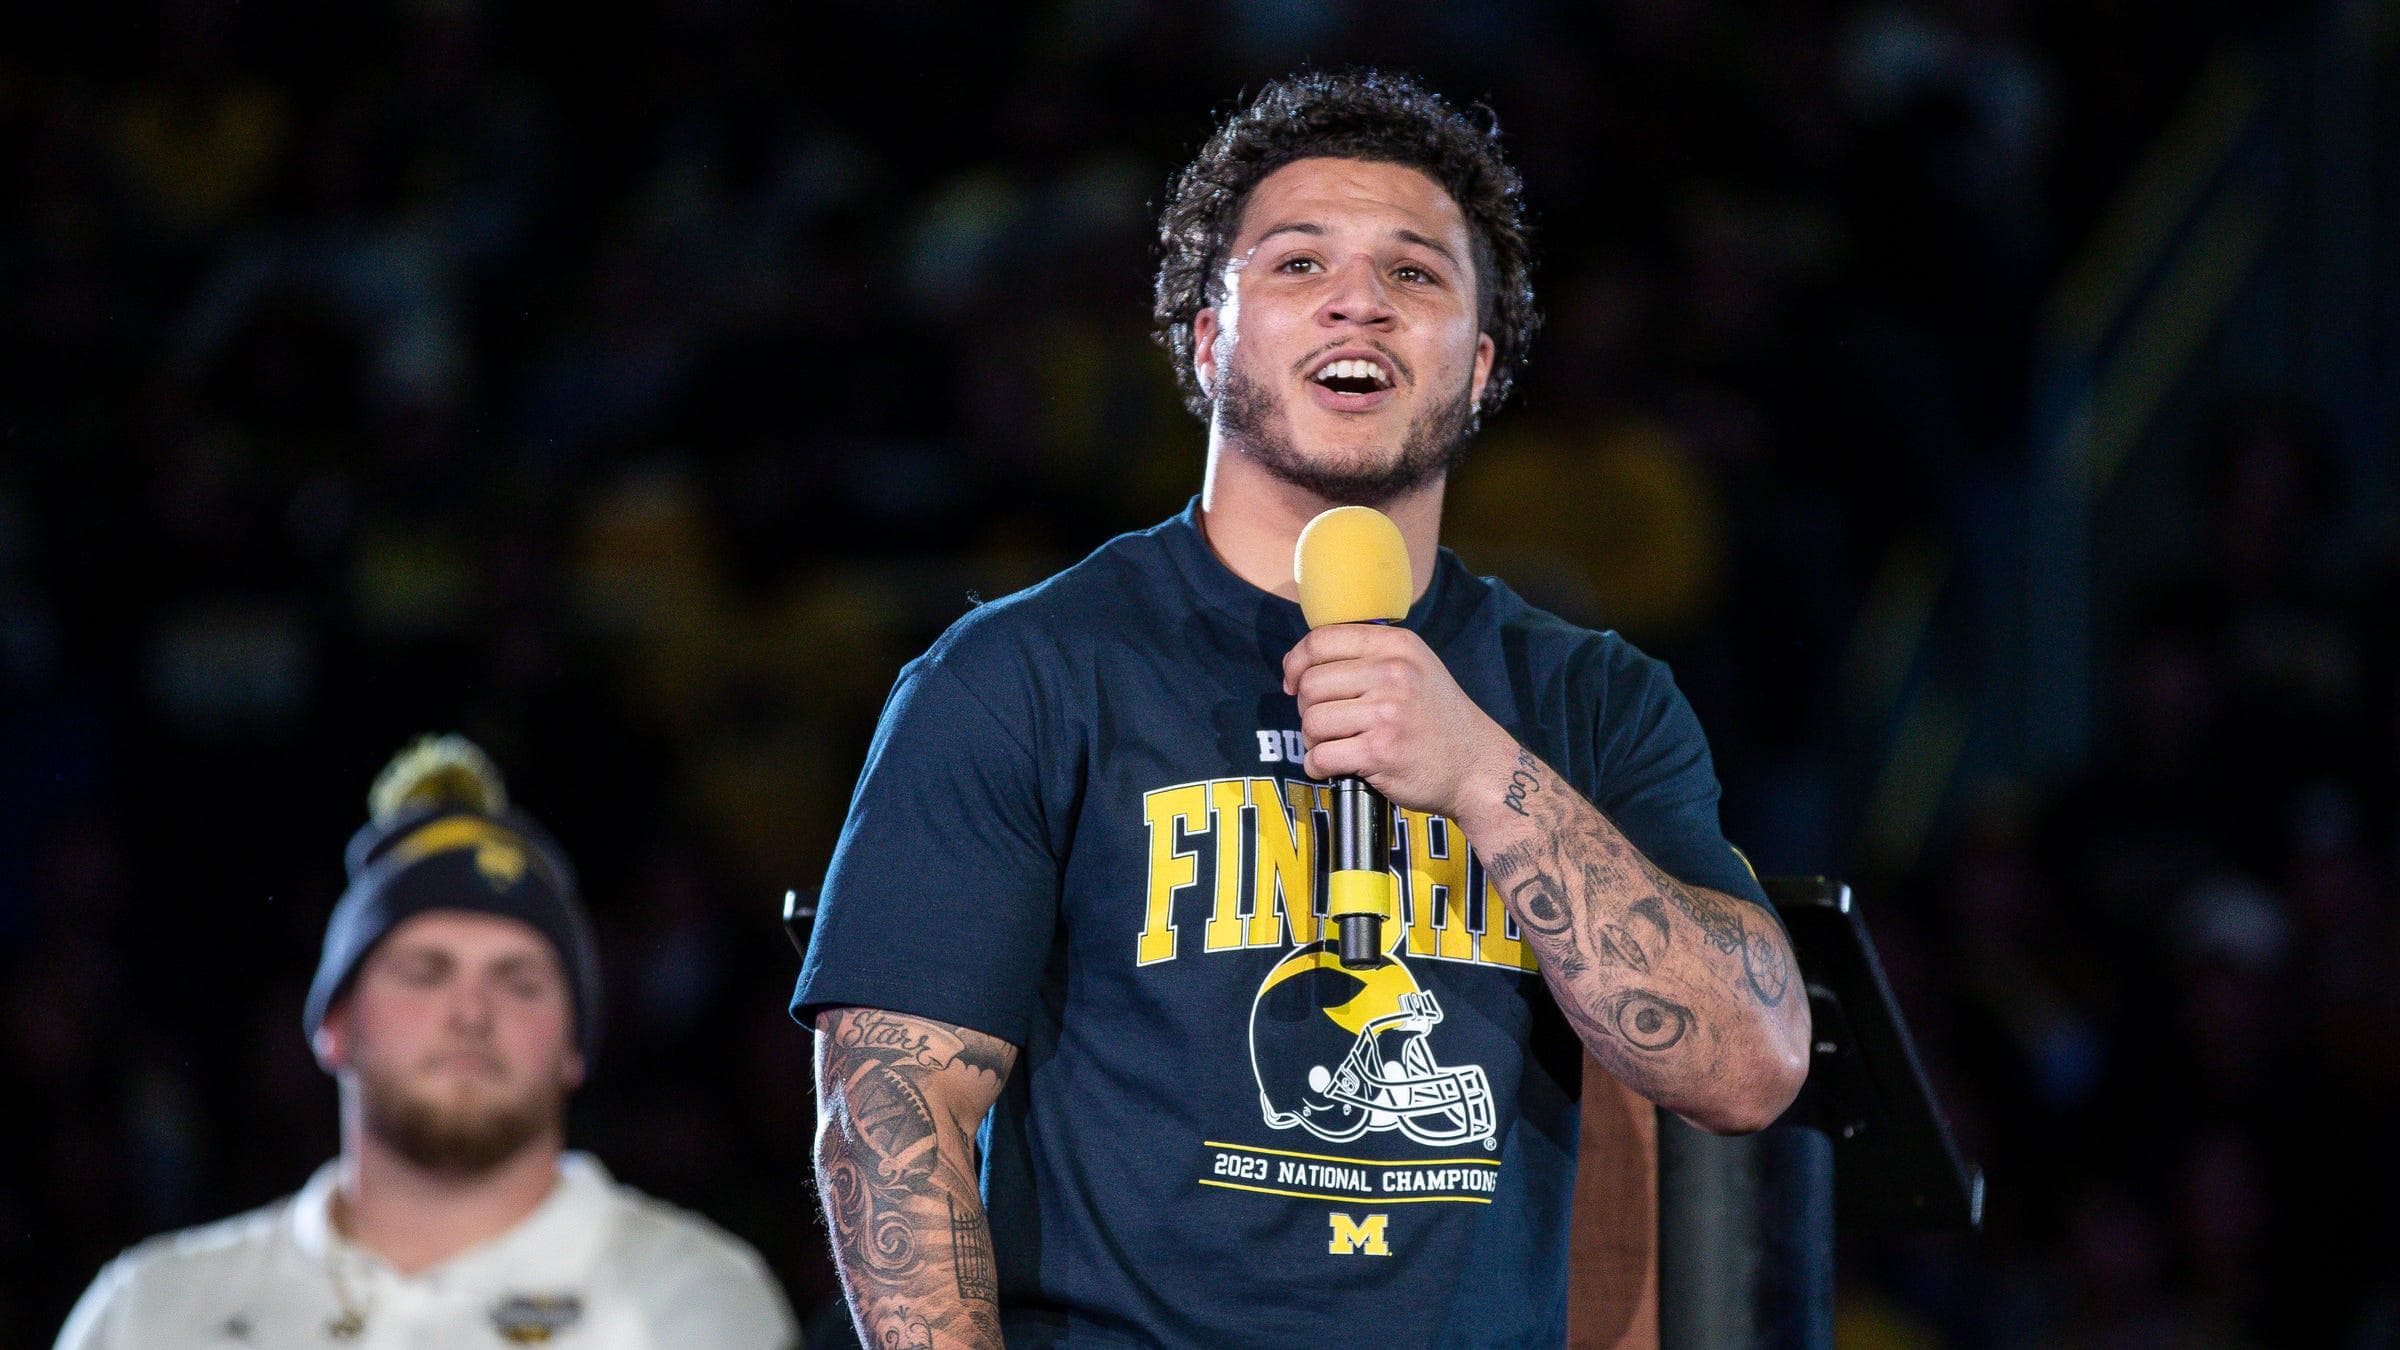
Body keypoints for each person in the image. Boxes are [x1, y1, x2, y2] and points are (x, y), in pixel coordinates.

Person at [793, 68, 1811, 1348]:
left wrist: (1486, 775)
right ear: (1210, 338)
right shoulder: (1022, 675)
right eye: (1296, 264)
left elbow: (1752, 1065)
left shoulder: (1590, 698)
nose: (1359, 301)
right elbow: (891, 1114)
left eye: (1418, 275)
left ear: (1481, 365)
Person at [59, 735, 800, 1349]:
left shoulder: (697, 1304)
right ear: (335, 1025)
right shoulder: (151, 1312)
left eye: (519, 982)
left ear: (575, 1045)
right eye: (423, 972)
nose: (471, 1010)